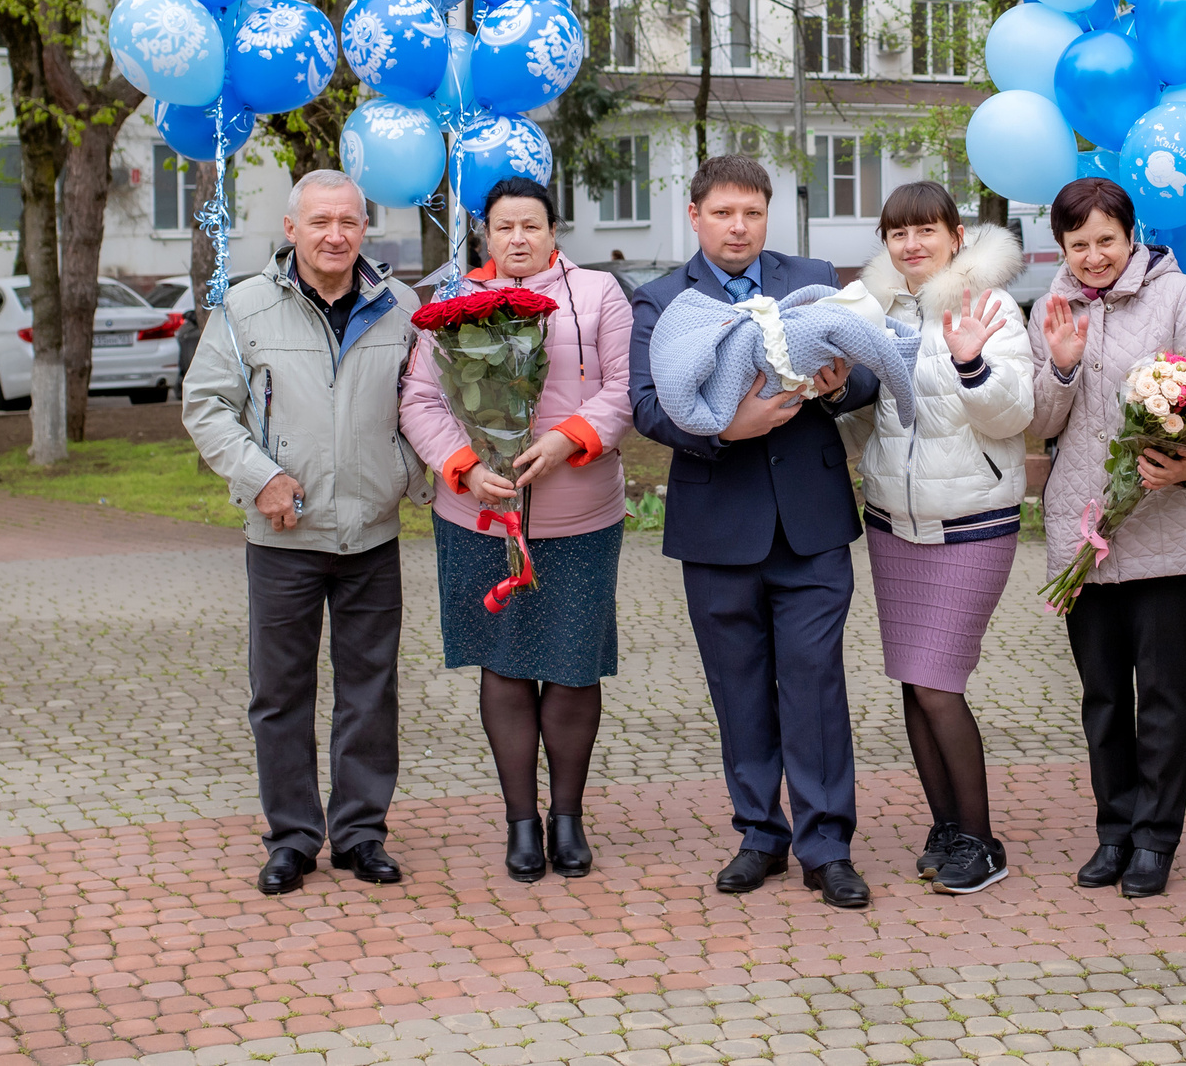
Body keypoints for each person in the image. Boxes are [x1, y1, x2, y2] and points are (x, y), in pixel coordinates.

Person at [628, 154, 883, 909]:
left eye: (753, 212)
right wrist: (724, 427)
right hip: (717, 529)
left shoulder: (808, 275)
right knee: (738, 689)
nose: (739, 226)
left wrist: (842, 385)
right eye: (724, 213)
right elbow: (646, 406)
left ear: (767, 216)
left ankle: (826, 843)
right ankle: (759, 835)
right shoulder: (662, 298)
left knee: (814, 683)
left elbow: (863, 370)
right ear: (696, 217)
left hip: (811, 524)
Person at [183, 169, 427, 896]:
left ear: (364, 227)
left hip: (370, 536)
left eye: (349, 221)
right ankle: (292, 837)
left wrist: (399, 473)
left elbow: (427, 406)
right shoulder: (245, 306)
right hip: (282, 540)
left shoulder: (401, 307)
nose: (335, 235)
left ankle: (359, 833)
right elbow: (206, 406)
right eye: (319, 221)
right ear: (291, 228)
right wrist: (259, 476)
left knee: (369, 690)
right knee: (281, 694)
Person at [398, 177, 633, 884]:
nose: (519, 238)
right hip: (480, 515)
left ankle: (567, 816)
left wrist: (570, 437)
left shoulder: (597, 295)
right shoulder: (450, 304)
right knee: (503, 663)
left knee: (570, 664)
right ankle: (520, 821)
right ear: (485, 235)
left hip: (579, 513)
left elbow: (624, 385)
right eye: (505, 227)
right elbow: (420, 397)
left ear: (554, 229)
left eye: (532, 224)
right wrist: (464, 466)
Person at [1025, 175, 1186, 900]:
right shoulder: (1052, 305)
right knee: (1103, 692)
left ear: (1131, 234)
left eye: (1105, 240)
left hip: (1167, 526)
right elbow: (1041, 422)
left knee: (1164, 692)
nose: (1092, 257)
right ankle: (1113, 829)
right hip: (1086, 528)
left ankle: (1155, 837)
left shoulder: (1181, 297)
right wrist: (1061, 363)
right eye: (1078, 245)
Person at [848, 182, 1034, 896]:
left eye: (926, 229)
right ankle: (947, 824)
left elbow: (1013, 413)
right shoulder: (879, 311)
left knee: (938, 682)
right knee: (912, 679)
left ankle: (983, 841)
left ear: (957, 236)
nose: (912, 244)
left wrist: (970, 363)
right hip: (895, 519)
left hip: (971, 522)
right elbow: (874, 423)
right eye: (898, 233)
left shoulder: (988, 306)